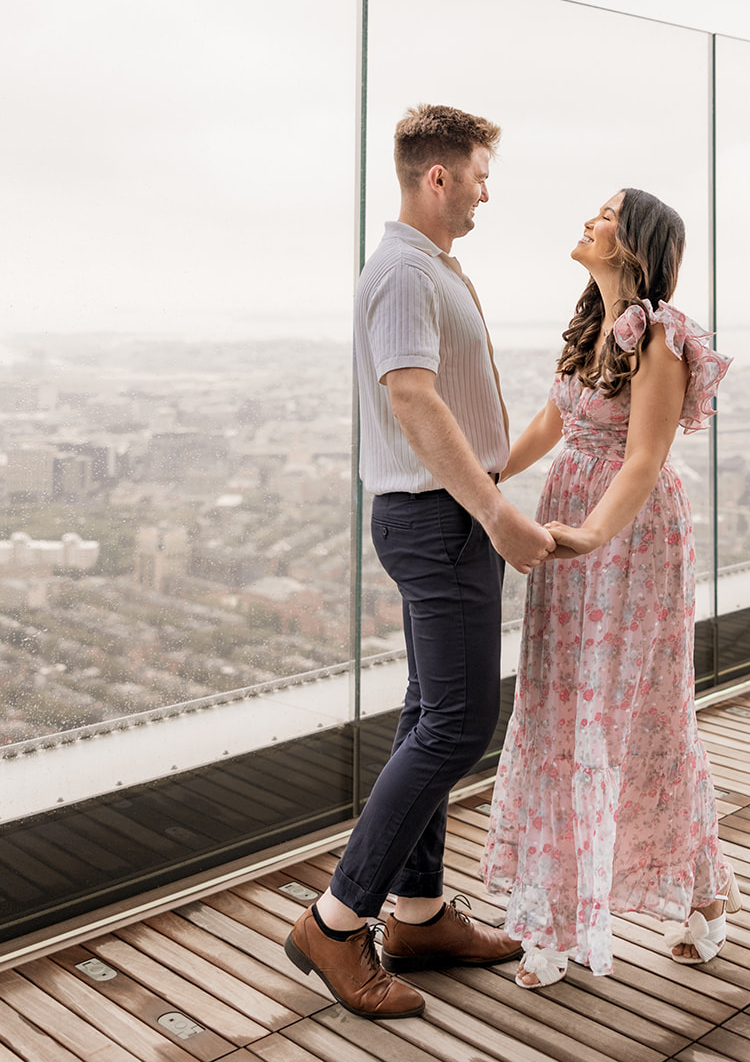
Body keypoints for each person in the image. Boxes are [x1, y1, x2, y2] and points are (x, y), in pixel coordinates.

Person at [285, 104, 555, 1020]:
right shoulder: (405, 272)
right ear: (436, 177)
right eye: (479, 171)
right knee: (459, 719)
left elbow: (456, 412)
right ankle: (335, 918)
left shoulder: (427, 268)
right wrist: (497, 514)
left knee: (431, 711)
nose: (488, 187)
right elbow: (413, 401)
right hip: (438, 520)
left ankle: (419, 912)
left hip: (440, 517)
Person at [481, 186, 738, 988]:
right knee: (561, 713)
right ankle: (554, 920)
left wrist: (593, 533)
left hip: (628, 541)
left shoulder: (659, 337)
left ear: (632, 241)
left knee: (641, 718)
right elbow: (546, 427)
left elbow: (645, 459)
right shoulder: (593, 329)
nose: (588, 218)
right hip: (572, 530)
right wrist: (483, 477)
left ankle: (701, 898)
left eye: (604, 212)